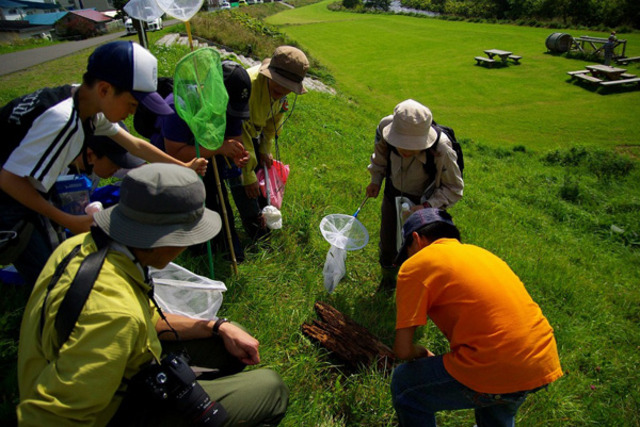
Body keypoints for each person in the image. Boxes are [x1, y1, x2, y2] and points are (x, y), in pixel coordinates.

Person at [17, 163, 289, 426]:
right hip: (110, 412)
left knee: (230, 335)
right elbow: (47, 418)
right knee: (271, 388)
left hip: (114, 376)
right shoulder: (113, 319)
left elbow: (147, 320)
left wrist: (216, 326)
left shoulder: (82, 245)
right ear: (164, 239)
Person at [0, 40, 207, 287]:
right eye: (131, 105)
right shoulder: (63, 121)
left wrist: (182, 167)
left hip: (26, 186)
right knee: (51, 277)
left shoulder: (85, 104)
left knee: (59, 257)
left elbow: (135, 145)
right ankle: (51, 316)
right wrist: (69, 221)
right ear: (105, 89)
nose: (132, 113)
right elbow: (9, 180)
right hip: (11, 199)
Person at [390, 208, 563, 427]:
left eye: (407, 250)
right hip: (541, 360)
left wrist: (422, 352)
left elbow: (403, 351)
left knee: (406, 385)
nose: (408, 257)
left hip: (495, 364)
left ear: (416, 239)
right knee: (496, 408)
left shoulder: (416, 264)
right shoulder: (483, 254)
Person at [366, 99, 463, 291]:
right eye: (401, 143)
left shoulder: (442, 150)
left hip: (424, 204)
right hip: (392, 193)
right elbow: (380, 157)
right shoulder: (386, 128)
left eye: (411, 146)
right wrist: (375, 180)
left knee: (418, 250)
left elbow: (454, 188)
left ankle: (415, 289)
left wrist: (427, 206)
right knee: (388, 243)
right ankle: (387, 282)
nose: (404, 149)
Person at [158, 61, 251, 261]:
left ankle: (227, 249)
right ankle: (196, 252)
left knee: (217, 200)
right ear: (215, 92)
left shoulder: (231, 103)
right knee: (190, 202)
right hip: (174, 162)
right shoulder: (177, 107)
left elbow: (235, 136)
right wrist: (219, 148)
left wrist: (235, 153)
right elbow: (175, 154)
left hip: (207, 155)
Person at [230, 45, 309, 240]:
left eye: (288, 88)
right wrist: (247, 176)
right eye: (278, 85)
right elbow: (241, 131)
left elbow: (272, 124)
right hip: (233, 138)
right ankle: (256, 234)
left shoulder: (281, 96)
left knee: (260, 186)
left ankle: (265, 227)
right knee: (245, 186)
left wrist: (264, 150)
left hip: (254, 137)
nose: (282, 91)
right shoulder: (247, 85)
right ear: (268, 75)